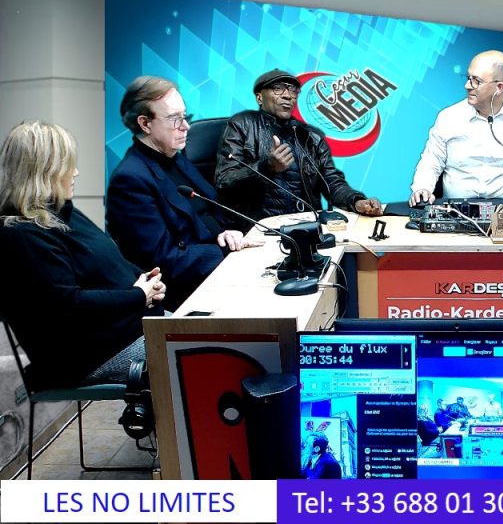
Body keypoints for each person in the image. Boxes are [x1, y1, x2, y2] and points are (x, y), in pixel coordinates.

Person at [0, 121, 166, 388]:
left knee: (215, 336)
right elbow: (69, 305)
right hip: (92, 356)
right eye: (68, 166)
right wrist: (138, 296)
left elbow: (110, 260)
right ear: (44, 172)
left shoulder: (62, 211)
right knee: (202, 356)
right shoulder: (20, 235)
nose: (76, 172)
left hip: (134, 327)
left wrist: (147, 282)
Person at [107, 76, 263, 310]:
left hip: (218, 269)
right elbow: (163, 261)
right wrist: (225, 252)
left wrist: (228, 233)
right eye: (174, 119)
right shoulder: (130, 181)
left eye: (185, 116)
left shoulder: (175, 158)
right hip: (188, 294)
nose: (186, 126)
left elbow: (212, 209)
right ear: (145, 124)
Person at [215, 69, 383, 228]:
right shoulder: (241, 125)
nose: (288, 95)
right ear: (260, 98)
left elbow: (331, 181)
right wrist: (266, 167)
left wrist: (356, 202)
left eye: (293, 90)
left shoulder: (311, 136)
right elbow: (224, 180)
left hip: (308, 225)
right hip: (259, 228)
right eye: (278, 88)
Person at [408, 50, 503, 206]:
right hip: (455, 210)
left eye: (476, 81)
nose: (467, 86)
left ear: (499, 87)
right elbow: (431, 161)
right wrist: (423, 188)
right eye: (468, 78)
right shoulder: (448, 117)